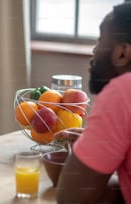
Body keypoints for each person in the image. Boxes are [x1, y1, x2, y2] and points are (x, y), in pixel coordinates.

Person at [55, 2, 131, 204]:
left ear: (123, 53)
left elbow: (70, 198)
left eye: (100, 41)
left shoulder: (123, 91)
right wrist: (103, 144)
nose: (94, 53)